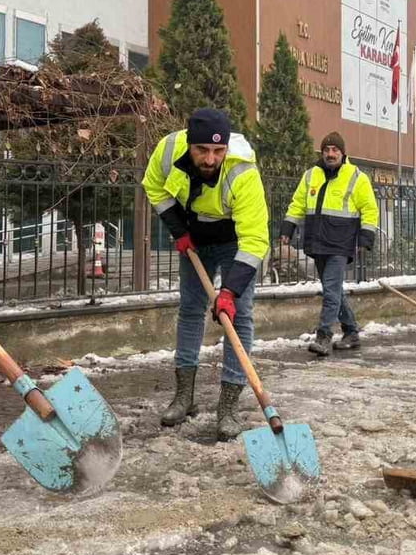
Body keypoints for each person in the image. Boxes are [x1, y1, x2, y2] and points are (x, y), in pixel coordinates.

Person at [142, 108, 269, 440]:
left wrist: (230, 292)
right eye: (202, 150)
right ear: (189, 143)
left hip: (233, 240)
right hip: (194, 236)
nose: (210, 159)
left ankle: (227, 407)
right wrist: (177, 228)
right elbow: (154, 185)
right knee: (190, 311)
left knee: (238, 318)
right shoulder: (169, 150)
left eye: (218, 151)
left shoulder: (243, 171)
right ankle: (184, 396)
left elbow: (255, 238)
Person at [278, 132, 378, 356]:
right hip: (317, 242)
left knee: (330, 292)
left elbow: (370, 209)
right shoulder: (310, 175)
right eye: (327, 150)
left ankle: (323, 337)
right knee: (333, 290)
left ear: (343, 153)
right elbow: (297, 204)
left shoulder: (357, 177)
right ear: (322, 153)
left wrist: (366, 238)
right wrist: (288, 228)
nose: (330, 154)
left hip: (341, 243)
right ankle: (351, 331)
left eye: (335, 150)